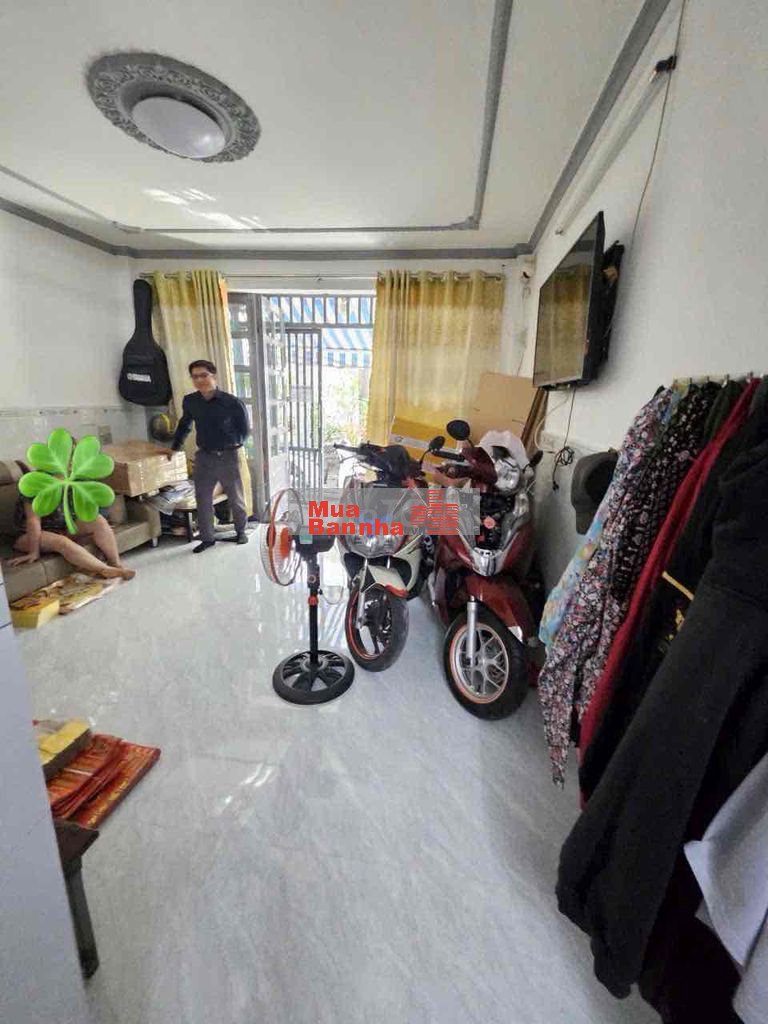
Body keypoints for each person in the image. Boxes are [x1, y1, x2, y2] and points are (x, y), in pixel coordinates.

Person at [161, 359, 250, 553]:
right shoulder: (191, 401)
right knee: (202, 498)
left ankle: (241, 531)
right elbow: (185, 425)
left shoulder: (231, 402)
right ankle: (207, 538)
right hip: (204, 457)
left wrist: (234, 443)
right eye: (195, 377)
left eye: (204, 375)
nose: (199, 380)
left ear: (213, 375)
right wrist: (175, 448)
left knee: (235, 496)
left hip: (228, 455)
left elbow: (244, 429)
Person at [9, 494, 136, 581]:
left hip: (61, 527)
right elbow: (33, 521)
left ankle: (115, 564)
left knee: (98, 520)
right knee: (61, 542)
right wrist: (34, 552)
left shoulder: (71, 481)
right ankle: (104, 570)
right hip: (28, 534)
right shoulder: (34, 484)